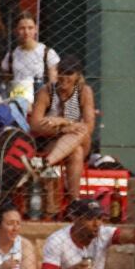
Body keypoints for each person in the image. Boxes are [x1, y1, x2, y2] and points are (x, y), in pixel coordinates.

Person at [29, 54, 95, 205]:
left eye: (69, 73)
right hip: (52, 141)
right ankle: (74, 203)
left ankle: (45, 163)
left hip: (79, 138)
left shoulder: (84, 91)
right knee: (76, 152)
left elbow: (89, 127)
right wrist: (63, 130)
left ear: (78, 75)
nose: (64, 77)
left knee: (82, 131)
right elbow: (35, 124)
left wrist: (62, 122)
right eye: (61, 72)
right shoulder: (47, 91)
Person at [3, 11, 59, 102]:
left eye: (30, 28)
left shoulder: (47, 53)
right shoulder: (11, 56)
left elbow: (53, 82)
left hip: (40, 100)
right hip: (16, 100)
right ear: (16, 30)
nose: (26, 32)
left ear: (36, 29)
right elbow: (4, 82)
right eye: (22, 28)